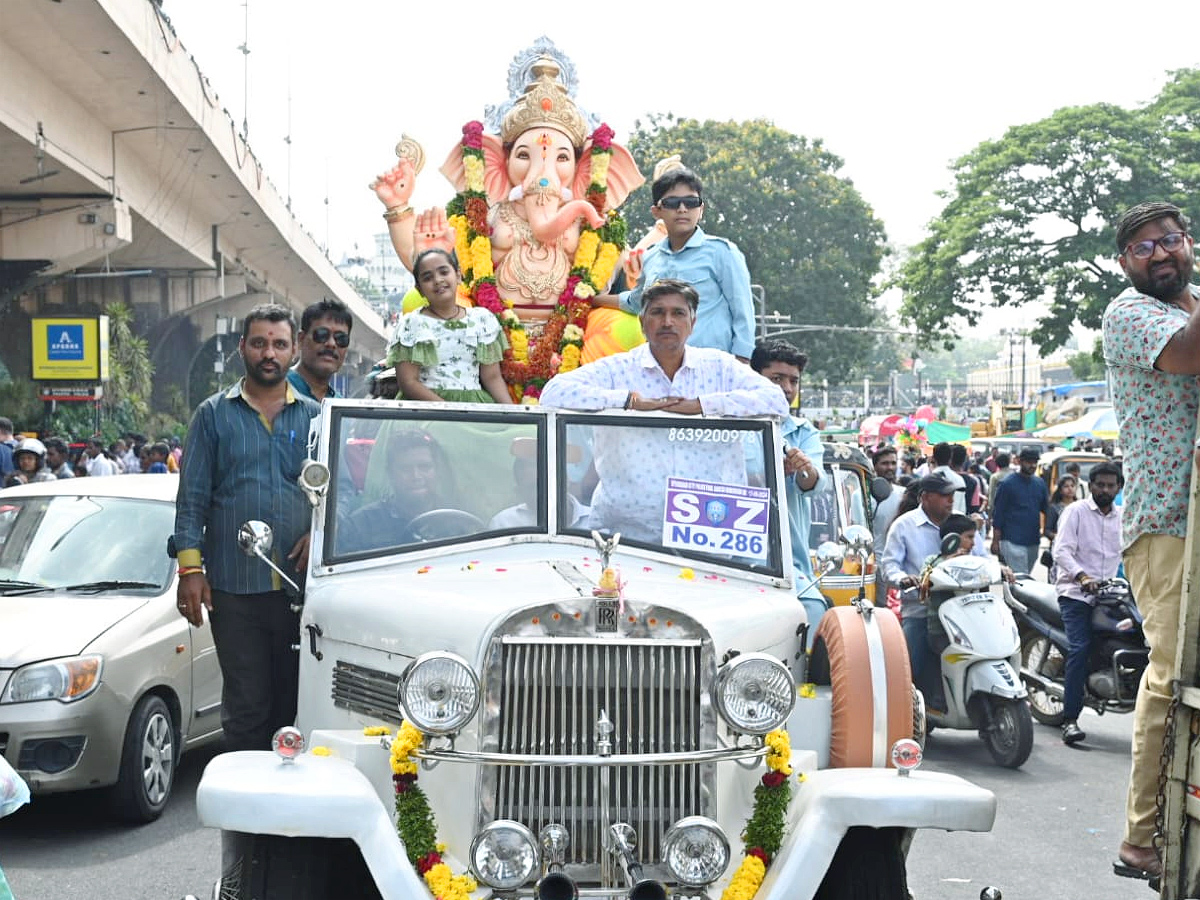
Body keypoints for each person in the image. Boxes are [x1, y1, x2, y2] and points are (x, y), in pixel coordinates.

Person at [1101, 201, 1200, 879]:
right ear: (1125, 264)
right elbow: (1191, 355)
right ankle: (1140, 835)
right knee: (1170, 672)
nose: (1161, 254)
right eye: (1145, 248)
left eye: (1171, 239)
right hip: (1166, 523)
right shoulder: (1131, 315)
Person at [173, 303, 319, 759]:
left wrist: (320, 534)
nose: (268, 353)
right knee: (247, 708)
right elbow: (192, 498)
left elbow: (338, 495)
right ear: (242, 349)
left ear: (294, 350)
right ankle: (247, 825)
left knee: (299, 707)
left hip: (302, 589)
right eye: (259, 343)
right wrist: (190, 572)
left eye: (279, 344)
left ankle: (294, 820)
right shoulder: (214, 415)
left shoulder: (318, 416)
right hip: (235, 589)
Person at [541, 279, 787, 542]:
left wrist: (703, 406)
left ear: (692, 324)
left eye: (678, 313)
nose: (667, 321)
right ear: (642, 322)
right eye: (657, 312)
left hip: (713, 532)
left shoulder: (720, 368)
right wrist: (628, 401)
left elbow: (776, 401)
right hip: (627, 534)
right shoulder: (618, 370)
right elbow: (553, 393)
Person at [595, 166, 756, 361]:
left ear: (701, 209)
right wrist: (592, 300)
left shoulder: (723, 253)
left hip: (713, 368)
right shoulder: (651, 258)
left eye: (691, 202)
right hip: (662, 368)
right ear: (657, 212)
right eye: (672, 203)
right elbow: (636, 301)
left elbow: (743, 312)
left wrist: (742, 362)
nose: (682, 209)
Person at [881, 473, 988, 708]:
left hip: (965, 610)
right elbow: (889, 566)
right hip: (921, 610)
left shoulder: (962, 523)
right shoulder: (904, 525)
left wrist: (999, 570)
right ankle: (907, 715)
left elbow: (983, 558)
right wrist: (904, 579)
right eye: (944, 496)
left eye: (952, 496)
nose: (950, 501)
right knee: (910, 666)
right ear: (925, 497)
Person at [749, 339, 826, 624]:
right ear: (754, 377)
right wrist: (770, 473)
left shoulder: (803, 433)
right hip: (731, 557)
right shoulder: (730, 424)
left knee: (814, 610)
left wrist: (804, 470)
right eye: (777, 378)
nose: (787, 388)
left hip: (788, 566)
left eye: (793, 381)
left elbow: (815, 483)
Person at [1051, 463, 1123, 747]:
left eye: (1111, 485)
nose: (1105, 490)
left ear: (1118, 488)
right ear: (1091, 485)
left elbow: (1129, 552)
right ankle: (1070, 719)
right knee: (1079, 648)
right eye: (1101, 485)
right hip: (1075, 593)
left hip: (1110, 594)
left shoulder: (1122, 516)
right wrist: (1082, 576)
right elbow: (1061, 551)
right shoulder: (1076, 512)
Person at [389, 249, 513, 404]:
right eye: (427, 277)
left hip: (474, 409)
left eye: (444, 272)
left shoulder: (482, 320)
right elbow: (408, 383)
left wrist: (514, 416)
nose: (437, 280)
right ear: (419, 289)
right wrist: (449, 412)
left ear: (458, 276)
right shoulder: (412, 324)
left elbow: (492, 378)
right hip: (427, 413)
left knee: (522, 430)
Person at [989, 446, 1048, 575]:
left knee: (1025, 577)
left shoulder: (1040, 484)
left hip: (1033, 540)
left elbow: (1046, 510)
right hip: (1011, 539)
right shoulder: (1007, 484)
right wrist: (995, 541)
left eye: (1035, 462)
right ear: (1019, 461)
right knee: (1021, 579)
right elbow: (998, 515)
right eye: (1028, 462)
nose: (1032, 465)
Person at [288, 297, 352, 402]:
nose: (331, 344)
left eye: (341, 338)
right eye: (322, 335)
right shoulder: (272, 390)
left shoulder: (340, 407)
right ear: (301, 339)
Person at [1042, 474, 1078, 578]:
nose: (1070, 489)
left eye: (1072, 486)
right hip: (1059, 548)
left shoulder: (1080, 507)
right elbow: (1047, 530)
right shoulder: (1054, 508)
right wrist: (1059, 537)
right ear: (1060, 490)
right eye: (1066, 486)